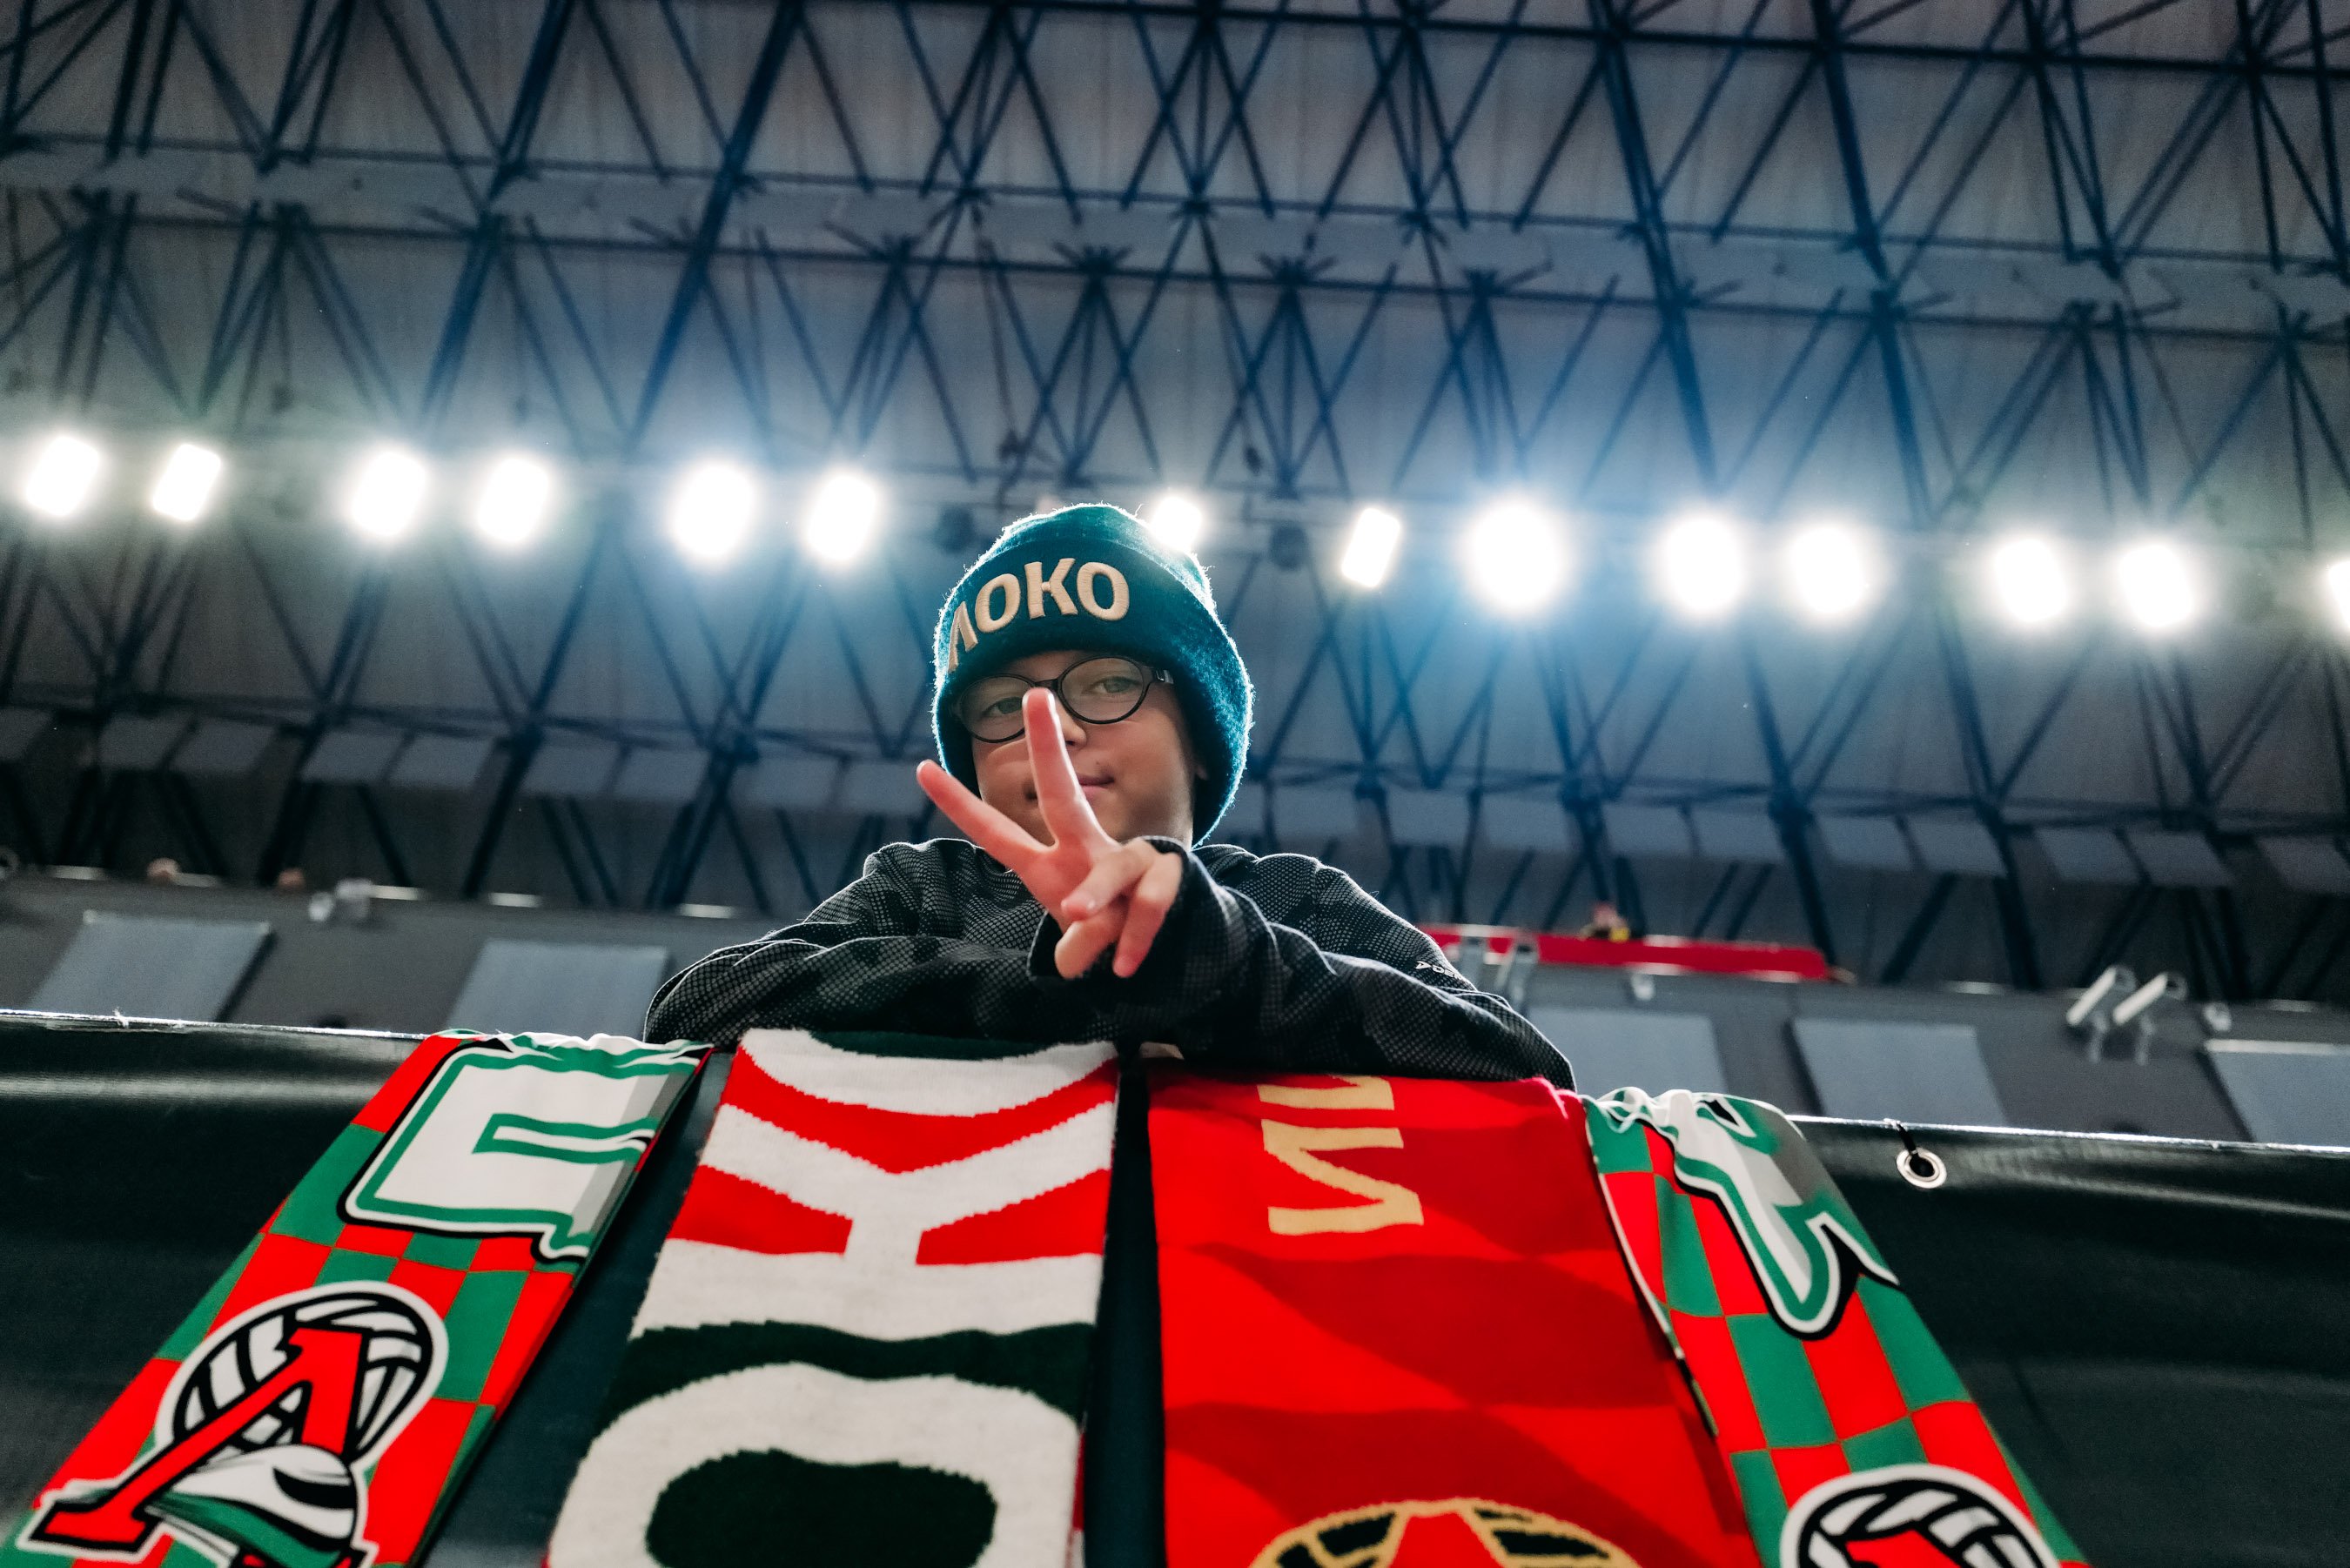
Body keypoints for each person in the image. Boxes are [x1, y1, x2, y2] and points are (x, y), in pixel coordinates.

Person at [647, 503, 1568, 1085]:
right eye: (1005, 705)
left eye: (1108, 683)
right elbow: (695, 1009)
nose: (1053, 727)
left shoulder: (1290, 898)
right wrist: (1053, 989)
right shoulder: (925, 887)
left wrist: (1215, 964)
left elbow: (1517, 1061)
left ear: (1201, 742)